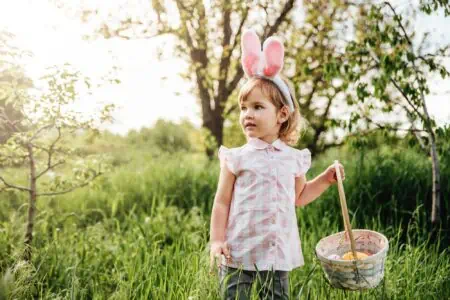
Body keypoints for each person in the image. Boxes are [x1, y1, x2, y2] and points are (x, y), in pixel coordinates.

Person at [209, 29, 345, 300]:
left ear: (282, 114)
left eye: (258, 107)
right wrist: (216, 240)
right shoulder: (237, 157)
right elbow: (222, 202)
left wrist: (326, 179)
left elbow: (299, 196)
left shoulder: (292, 158)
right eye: (243, 107)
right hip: (238, 250)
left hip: (276, 250)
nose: (248, 114)